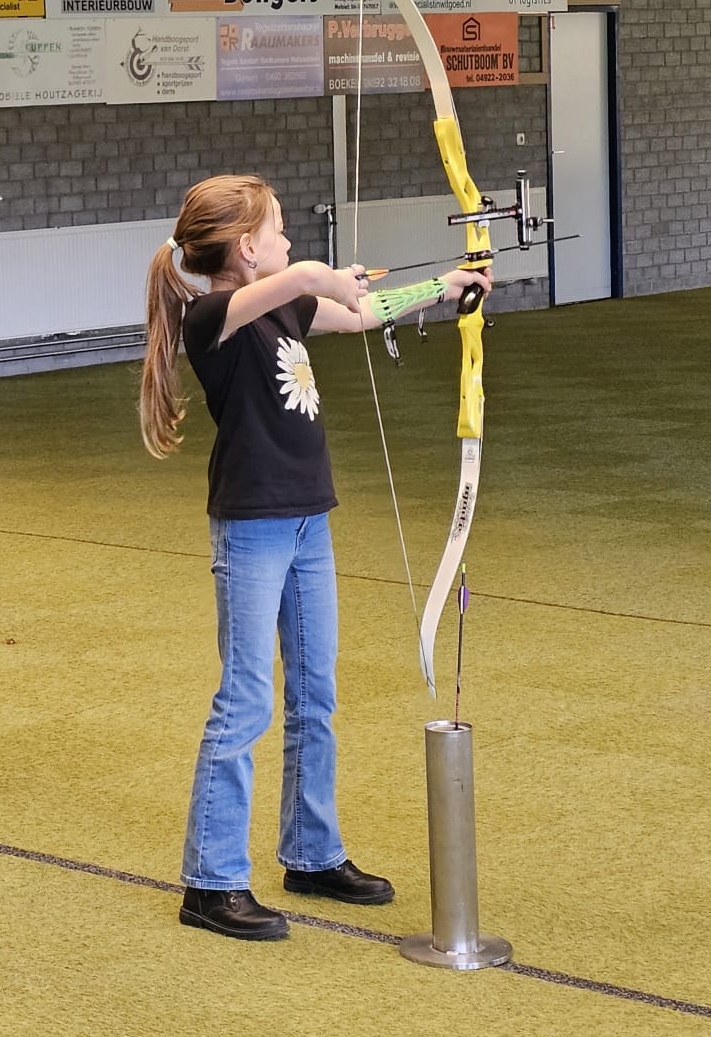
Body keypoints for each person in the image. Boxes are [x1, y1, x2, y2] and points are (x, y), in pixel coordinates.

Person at [138, 174, 487, 941]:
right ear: (246, 248)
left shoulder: (283, 302)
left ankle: (311, 854)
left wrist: (444, 285)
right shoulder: (213, 316)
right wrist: (316, 274)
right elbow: (302, 279)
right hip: (253, 527)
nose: (290, 241)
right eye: (279, 229)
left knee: (315, 693)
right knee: (246, 701)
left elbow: (360, 314)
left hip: (307, 523)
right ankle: (211, 882)